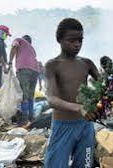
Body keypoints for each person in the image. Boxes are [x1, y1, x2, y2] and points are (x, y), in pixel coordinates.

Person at [44, 18, 100, 168]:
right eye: (71, 40)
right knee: (55, 164)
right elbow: (51, 99)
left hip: (85, 126)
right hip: (63, 126)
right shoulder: (53, 65)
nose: (77, 44)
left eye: (80, 40)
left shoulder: (86, 63)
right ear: (59, 40)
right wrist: (79, 108)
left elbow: (104, 87)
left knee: (85, 164)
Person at [9, 35, 40, 124]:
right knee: (31, 96)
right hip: (35, 71)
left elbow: (14, 47)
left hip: (24, 70)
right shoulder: (32, 49)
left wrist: (10, 62)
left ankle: (24, 119)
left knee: (24, 95)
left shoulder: (19, 40)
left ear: (23, 39)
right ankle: (31, 118)